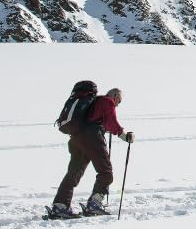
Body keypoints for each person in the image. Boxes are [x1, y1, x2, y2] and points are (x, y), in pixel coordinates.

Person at [49, 82, 133, 219]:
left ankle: (60, 206)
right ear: (115, 96)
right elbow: (111, 122)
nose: (118, 105)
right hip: (93, 139)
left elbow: (101, 122)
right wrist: (125, 136)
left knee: (73, 173)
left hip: (76, 139)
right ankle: (94, 205)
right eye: (119, 101)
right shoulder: (107, 101)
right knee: (106, 173)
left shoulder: (93, 102)